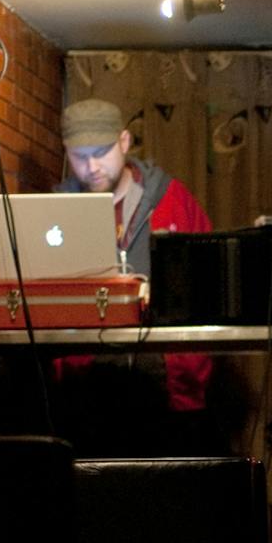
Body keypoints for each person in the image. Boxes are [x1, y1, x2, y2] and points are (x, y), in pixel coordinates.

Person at [47, 97, 217, 454]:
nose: (91, 166)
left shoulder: (172, 199)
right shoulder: (56, 211)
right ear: (66, 151)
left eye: (101, 152)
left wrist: (188, 370)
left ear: (124, 142)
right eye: (79, 156)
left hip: (165, 381)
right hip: (88, 382)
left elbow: (210, 284)